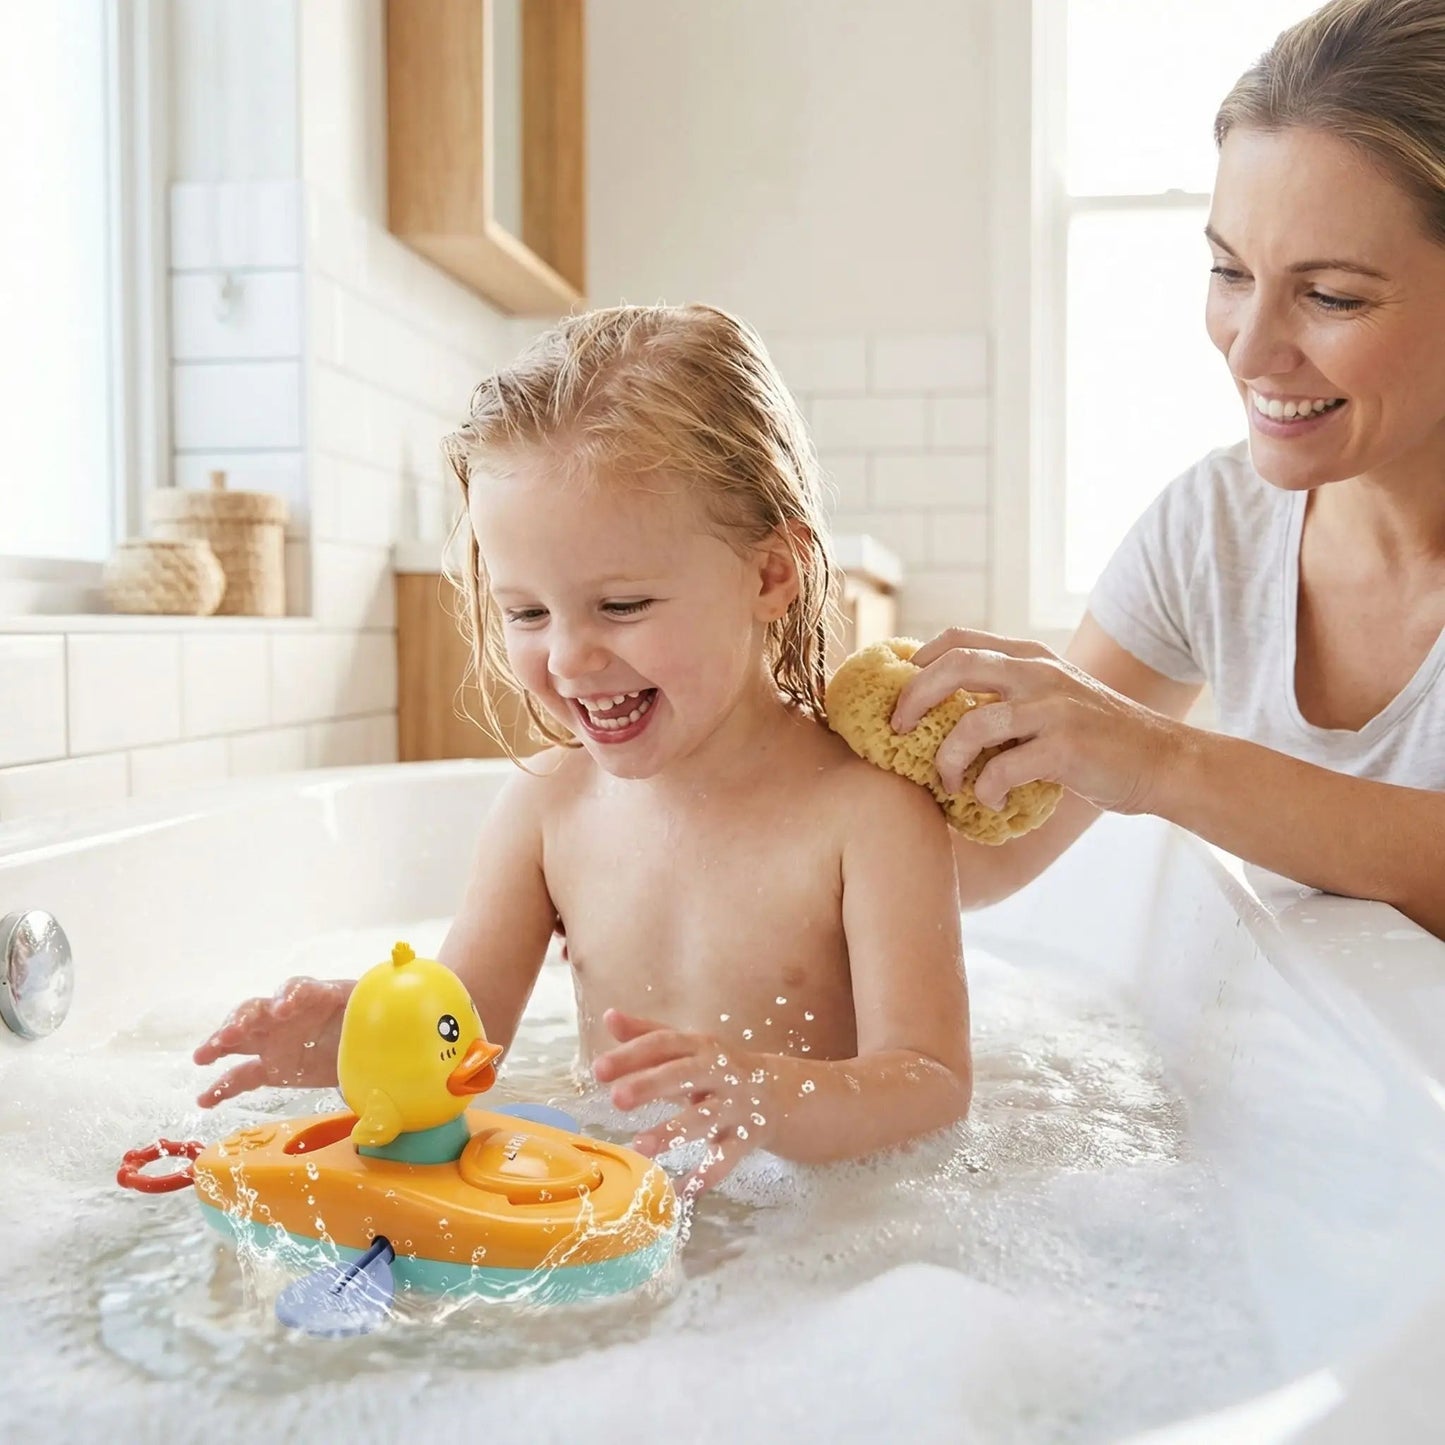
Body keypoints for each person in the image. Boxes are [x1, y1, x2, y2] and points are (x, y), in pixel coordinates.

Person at [194, 304, 972, 1194]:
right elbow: (464, 1036)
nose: (567, 658)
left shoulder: (867, 814)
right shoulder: (547, 804)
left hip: (820, 1219)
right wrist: (367, 1045)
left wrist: (773, 1094)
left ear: (768, 574)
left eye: (621, 606)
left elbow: (930, 1083)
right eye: (527, 611)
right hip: (607, 1206)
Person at [893, 0, 1445, 938]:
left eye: (1329, 295)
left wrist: (1156, 760)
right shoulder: (1213, 529)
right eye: (1230, 273)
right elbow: (992, 848)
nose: (1248, 351)